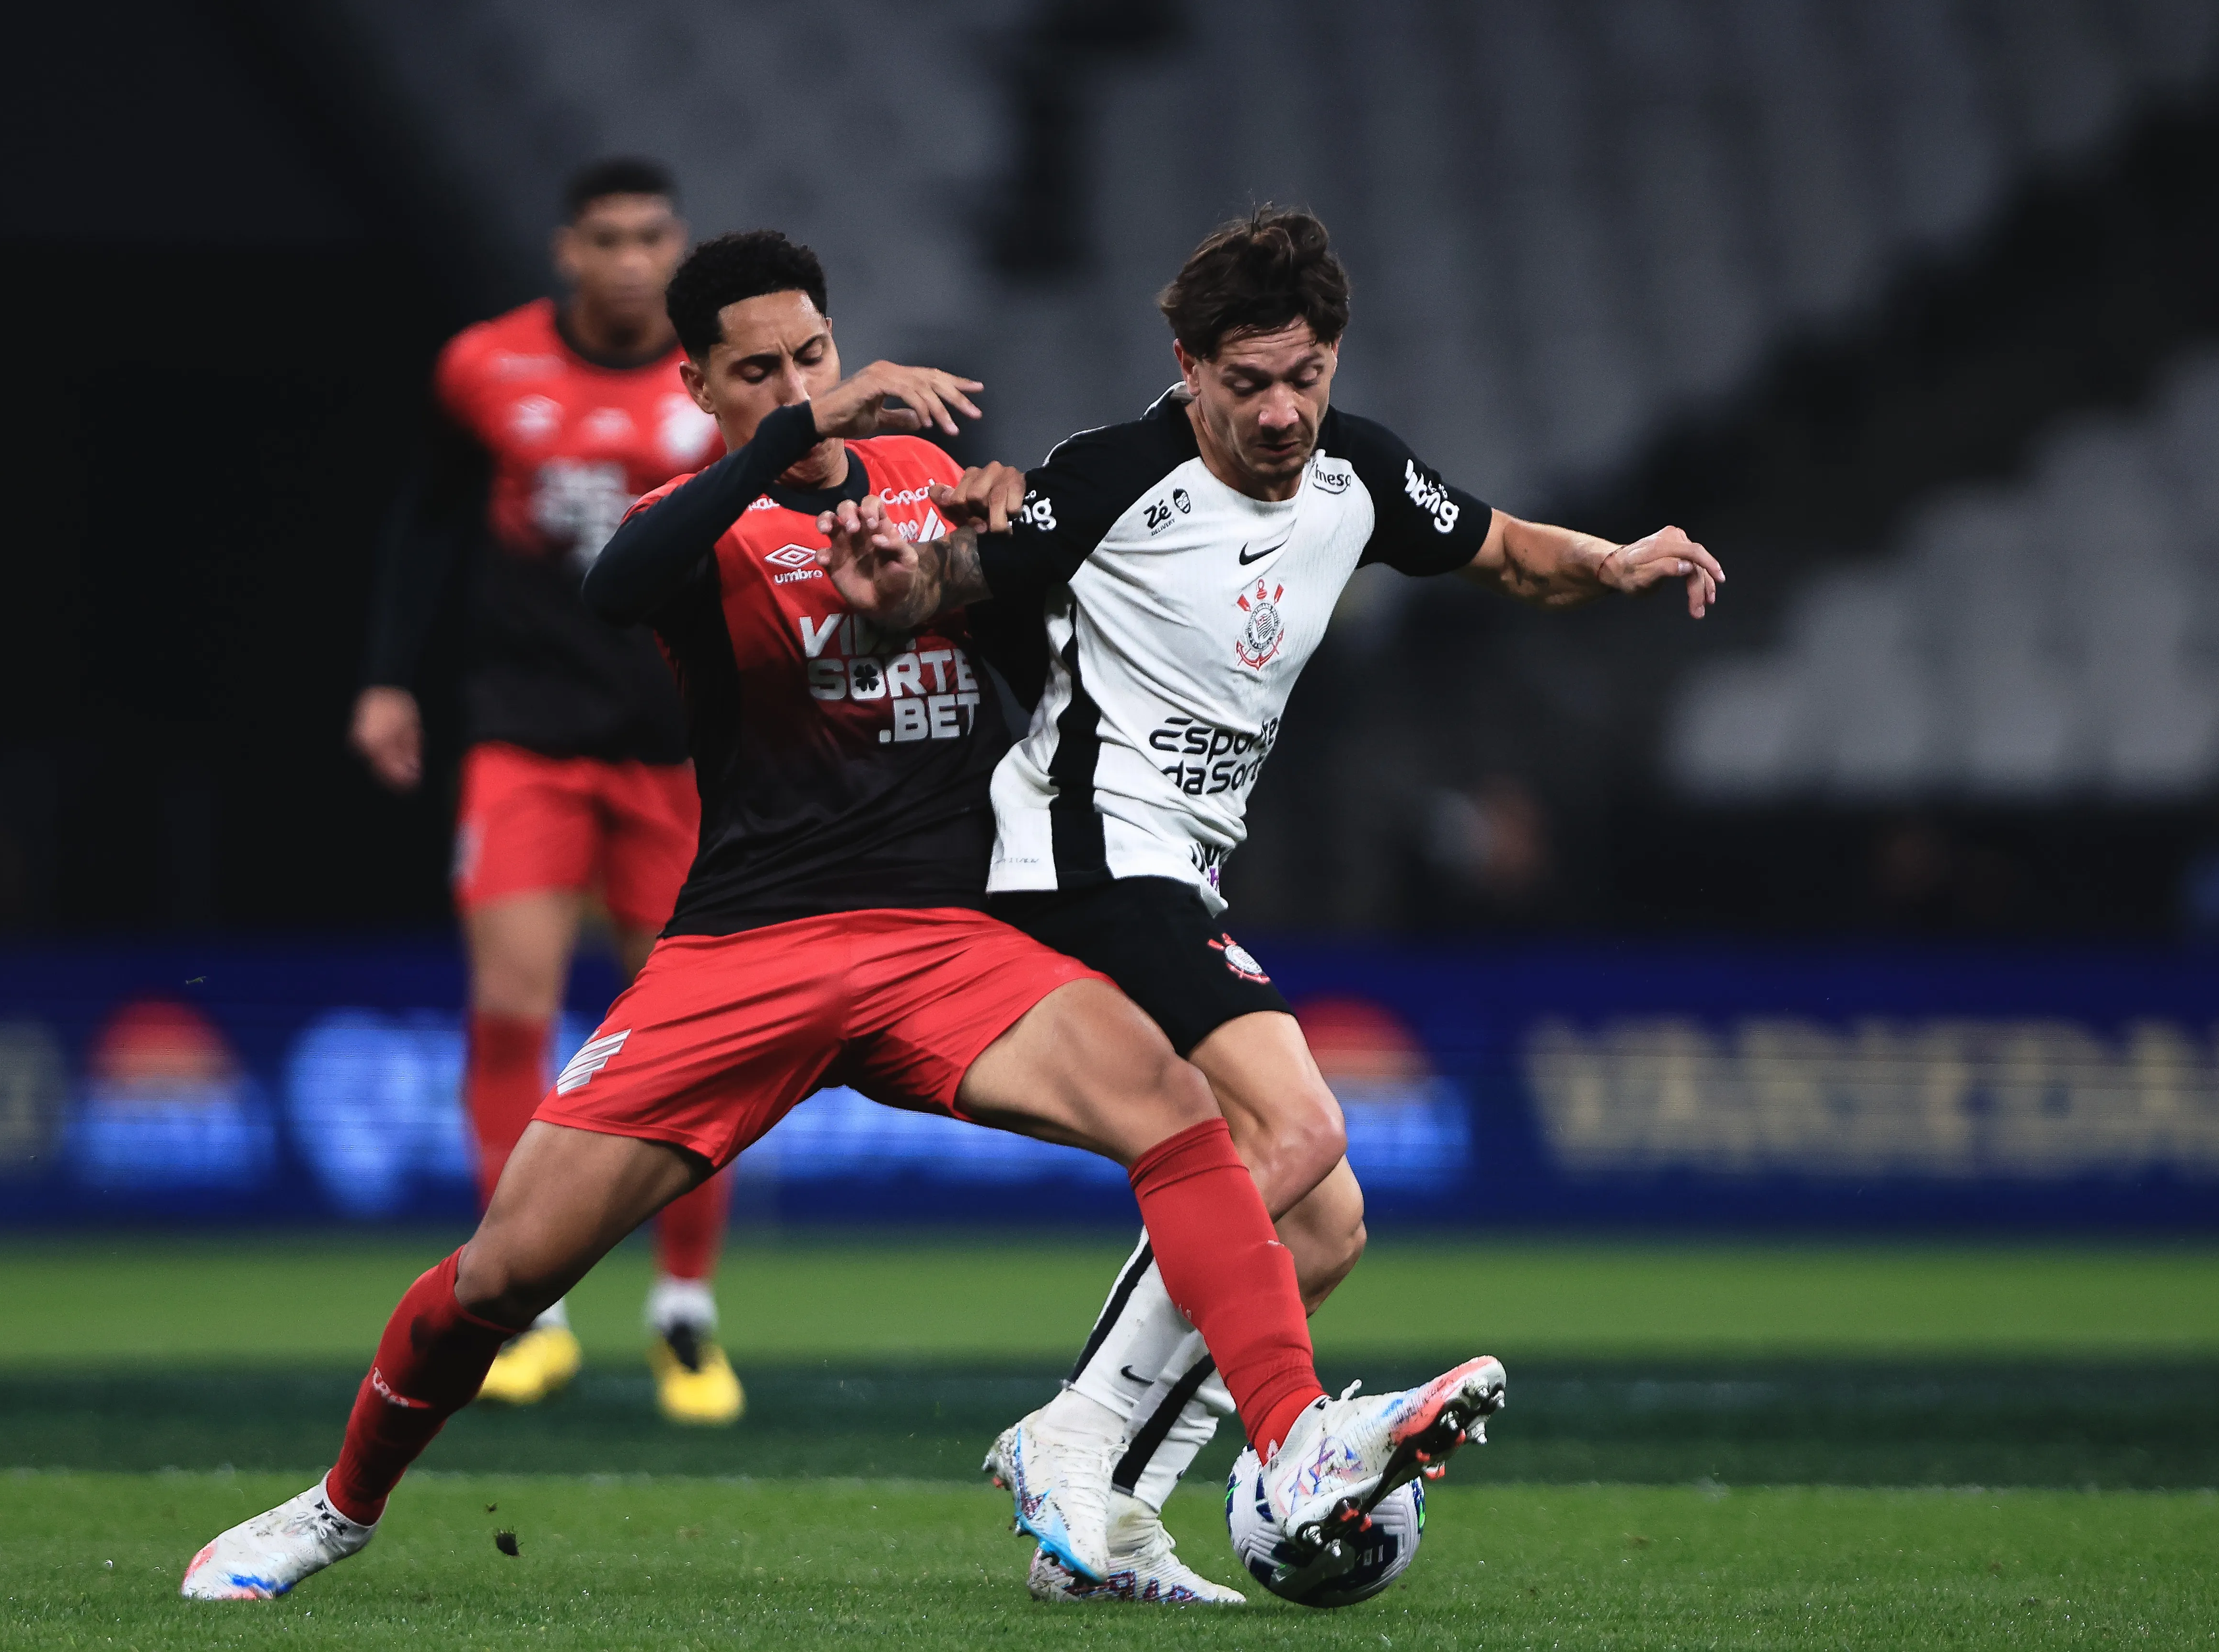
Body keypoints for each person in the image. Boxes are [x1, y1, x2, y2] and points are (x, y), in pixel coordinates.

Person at [183, 229, 1504, 1605]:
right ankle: (334, 1509)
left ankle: (1282, 1443)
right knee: (500, 1276)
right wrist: (792, 439)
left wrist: (1002, 552)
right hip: (748, 950)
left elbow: (1035, 662)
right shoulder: (704, 517)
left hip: (945, 940)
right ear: (699, 385)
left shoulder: (928, 487)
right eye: (755, 372)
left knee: (1185, 1114)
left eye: (810, 354)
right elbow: (612, 588)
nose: (795, 384)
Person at [816, 206, 1720, 1603]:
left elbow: (1499, 549)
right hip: (1084, 855)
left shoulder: (1356, 472)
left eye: (1304, 376)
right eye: (1248, 383)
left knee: (1325, 1222)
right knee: (1295, 1125)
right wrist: (898, 579)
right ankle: (1086, 1431)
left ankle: (1108, 1512)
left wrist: (1608, 562)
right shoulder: (1111, 477)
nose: (1283, 410)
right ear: (1185, 366)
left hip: (1180, 864)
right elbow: (957, 574)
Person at [351, 157, 741, 1420]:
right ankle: (525, 1300)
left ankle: (684, 1310)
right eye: (607, 238)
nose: (631, 260)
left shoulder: (718, 381)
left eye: (651, 236)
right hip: (522, 733)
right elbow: (426, 518)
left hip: (672, 747)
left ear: (674, 246)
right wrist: (388, 680)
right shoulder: (483, 368)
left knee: (693, 1035)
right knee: (511, 1006)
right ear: (567, 249)